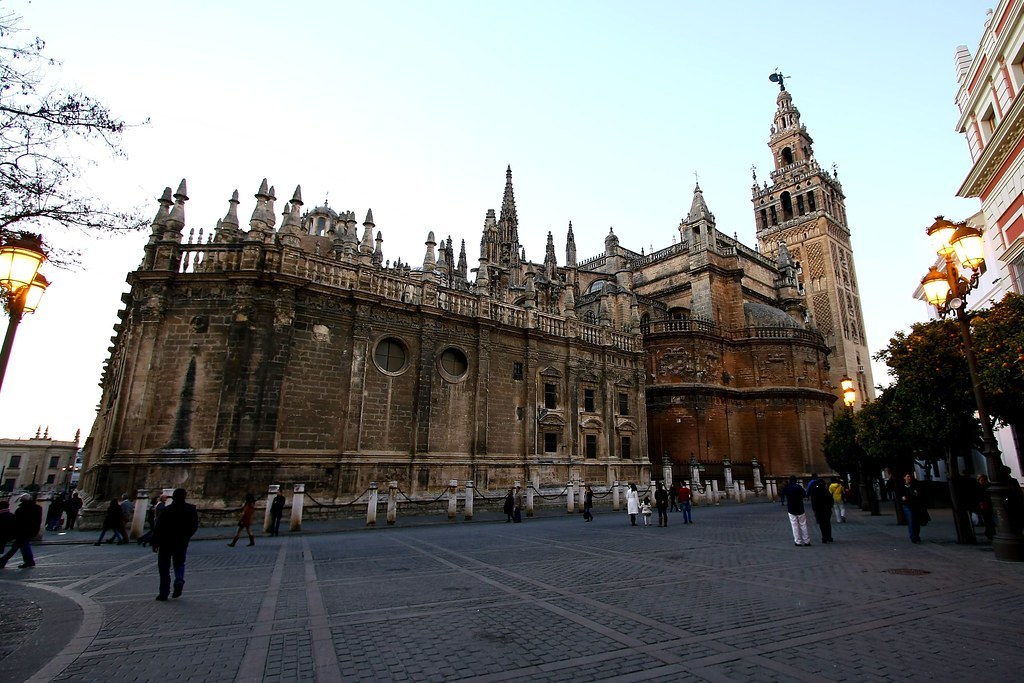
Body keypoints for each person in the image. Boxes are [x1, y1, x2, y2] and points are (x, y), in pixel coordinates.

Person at [152, 487, 199, 601]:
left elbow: (158, 527)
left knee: (164, 568)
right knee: (179, 563)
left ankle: (164, 592)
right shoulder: (191, 509)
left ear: (173, 497)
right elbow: (194, 526)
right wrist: (187, 537)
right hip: (181, 542)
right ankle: (179, 579)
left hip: (165, 542)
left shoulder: (166, 510)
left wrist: (155, 542)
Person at [0, 493, 43, 568]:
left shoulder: (21, 510)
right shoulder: (37, 508)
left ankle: (3, 561)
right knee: (20, 546)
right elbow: (38, 521)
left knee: (18, 547)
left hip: (22, 531)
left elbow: (16, 522)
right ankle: (29, 561)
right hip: (31, 530)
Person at [781, 476, 811, 547]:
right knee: (803, 525)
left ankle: (798, 541)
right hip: (800, 508)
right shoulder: (799, 487)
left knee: (794, 525)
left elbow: (782, 493)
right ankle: (807, 541)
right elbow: (804, 495)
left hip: (791, 508)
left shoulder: (788, 488)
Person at [898, 472, 925, 544]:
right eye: (907, 476)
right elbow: (903, 498)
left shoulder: (914, 486)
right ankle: (913, 537)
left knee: (916, 522)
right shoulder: (902, 487)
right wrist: (910, 497)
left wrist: (911, 497)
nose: (909, 478)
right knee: (911, 521)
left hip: (915, 506)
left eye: (910, 476)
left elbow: (918, 495)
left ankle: (917, 536)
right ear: (904, 478)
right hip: (907, 506)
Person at [808, 474, 834, 544]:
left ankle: (824, 537)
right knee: (827, 523)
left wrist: (814, 508)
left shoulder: (814, 491)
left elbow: (813, 499)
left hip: (819, 509)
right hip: (826, 509)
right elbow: (831, 499)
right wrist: (830, 506)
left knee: (822, 524)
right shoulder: (825, 491)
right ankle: (829, 536)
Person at [977, 473, 995, 540]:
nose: (983, 482)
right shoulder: (979, 487)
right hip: (983, 505)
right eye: (981, 480)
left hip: (988, 504)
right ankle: (989, 531)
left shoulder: (988, 486)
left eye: (983, 480)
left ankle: (989, 531)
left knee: (989, 519)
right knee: (987, 519)